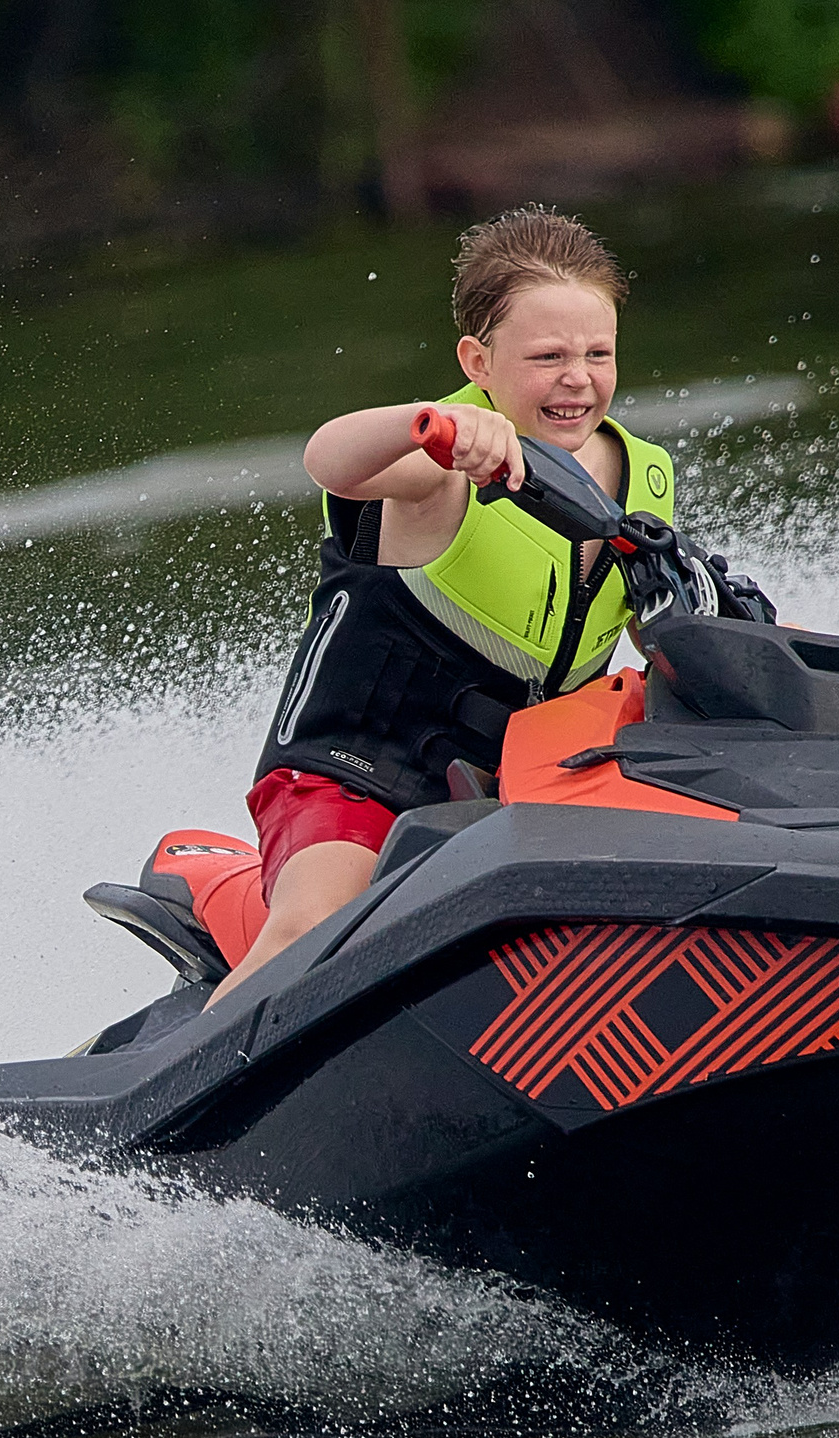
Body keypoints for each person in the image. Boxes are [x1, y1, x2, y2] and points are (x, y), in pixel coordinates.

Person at [207, 205, 676, 1008]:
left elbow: (672, 635)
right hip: (358, 776)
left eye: (598, 354)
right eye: (548, 356)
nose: (578, 378)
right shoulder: (438, 462)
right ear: (478, 360)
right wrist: (433, 427)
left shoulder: (644, 480)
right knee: (317, 930)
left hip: (522, 788)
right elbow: (329, 461)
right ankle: (179, 1084)